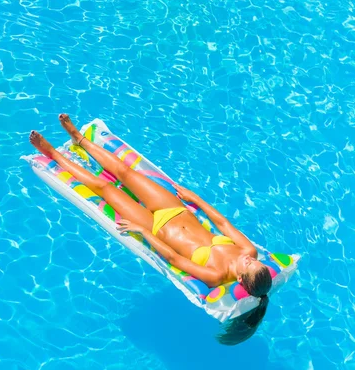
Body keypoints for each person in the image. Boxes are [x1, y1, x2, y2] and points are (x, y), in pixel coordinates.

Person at [29, 115, 272, 303]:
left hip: (153, 227)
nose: (248, 259)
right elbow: (223, 223)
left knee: (104, 188)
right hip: (176, 209)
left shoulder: (216, 276)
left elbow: (173, 258)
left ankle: (52, 154)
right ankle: (78, 137)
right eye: (254, 261)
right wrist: (193, 197)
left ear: (240, 279)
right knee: (125, 172)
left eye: (249, 265)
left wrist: (142, 231)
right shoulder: (248, 250)